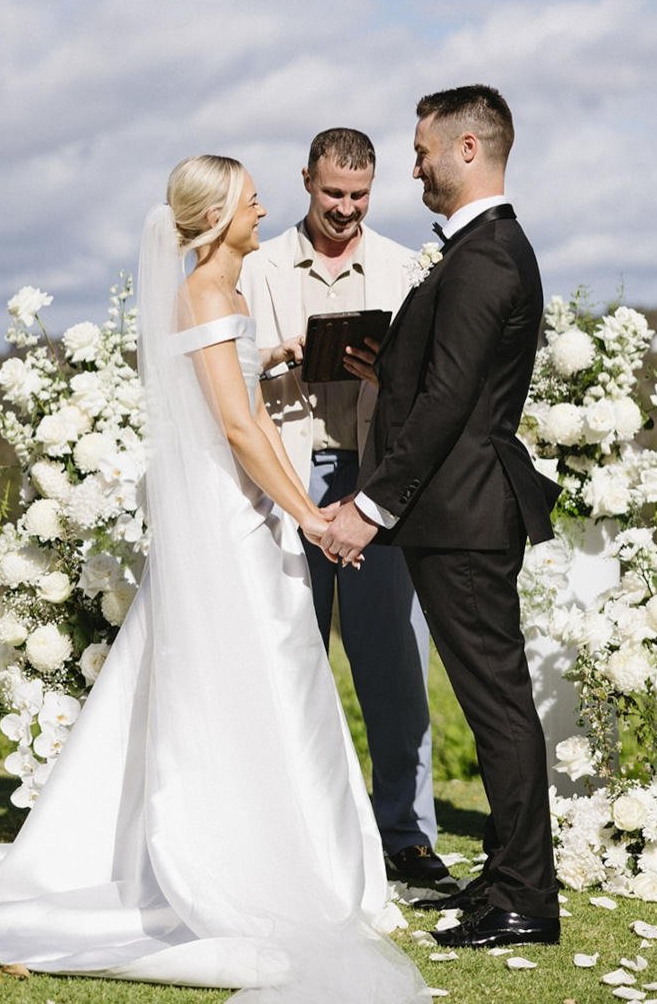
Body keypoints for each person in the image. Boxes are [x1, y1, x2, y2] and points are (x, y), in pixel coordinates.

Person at [0, 156, 424, 1002]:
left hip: (252, 514)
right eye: (251, 198)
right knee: (247, 679)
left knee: (280, 679)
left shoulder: (225, 297)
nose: (264, 206)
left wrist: (275, 385)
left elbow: (246, 402)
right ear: (220, 213)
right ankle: (237, 857)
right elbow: (235, 426)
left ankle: (306, 853)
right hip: (233, 524)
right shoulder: (201, 294)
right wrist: (309, 514)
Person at [320, 86, 562, 951]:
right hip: (459, 510)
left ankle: (527, 897)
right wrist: (390, 364)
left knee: (495, 705)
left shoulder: (487, 255)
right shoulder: (477, 251)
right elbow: (446, 379)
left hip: (463, 512)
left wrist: (370, 509)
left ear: (467, 148)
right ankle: (509, 873)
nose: (414, 163)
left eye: (422, 150)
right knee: (492, 699)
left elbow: (454, 404)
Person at [241, 128, 449, 893]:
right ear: (306, 181)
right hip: (284, 483)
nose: (345, 209)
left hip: (376, 481)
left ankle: (408, 837)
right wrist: (281, 355)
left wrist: (382, 371)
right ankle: (292, 838)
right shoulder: (257, 268)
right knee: (288, 665)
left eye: (359, 197)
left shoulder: (403, 266)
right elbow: (226, 380)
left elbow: (433, 386)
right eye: (333, 194)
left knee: (395, 669)